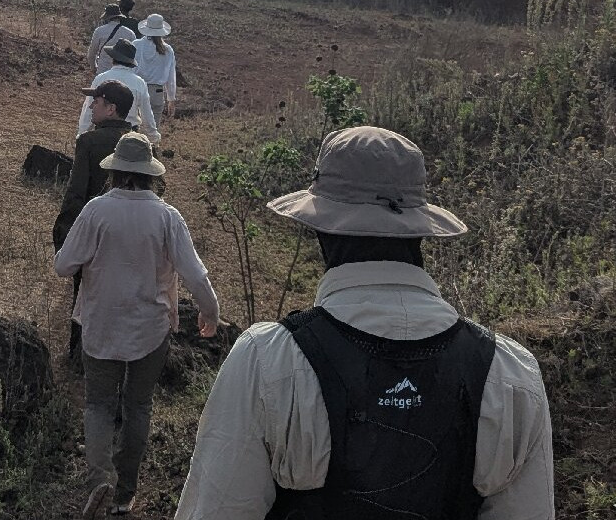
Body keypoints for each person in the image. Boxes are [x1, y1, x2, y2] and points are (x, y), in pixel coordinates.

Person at [175, 126, 554, 520]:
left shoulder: (269, 363)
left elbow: (217, 509)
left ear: (321, 232)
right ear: (418, 232)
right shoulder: (509, 374)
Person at [56, 132, 220, 519]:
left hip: (99, 325)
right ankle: (124, 495)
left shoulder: (96, 210)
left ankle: (99, 480)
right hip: (151, 329)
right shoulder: (167, 216)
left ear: (114, 171)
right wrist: (210, 313)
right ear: (151, 174)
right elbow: (195, 276)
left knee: (98, 404)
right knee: (138, 405)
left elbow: (63, 266)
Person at [54, 80, 135, 360]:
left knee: (85, 291)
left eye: (96, 102)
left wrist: (64, 234)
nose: (91, 107)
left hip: (95, 229)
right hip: (132, 233)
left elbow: (76, 192)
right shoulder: (141, 144)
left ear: (111, 108)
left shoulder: (89, 141)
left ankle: (79, 353)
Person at [77, 39, 161, 145]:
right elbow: (147, 115)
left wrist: (81, 135)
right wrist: (153, 138)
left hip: (102, 135)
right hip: (130, 136)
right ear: (130, 62)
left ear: (113, 58)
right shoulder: (139, 83)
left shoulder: (101, 79)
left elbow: (89, 111)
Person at [132, 13, 176, 128]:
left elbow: (129, 69)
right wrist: (171, 99)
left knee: (135, 126)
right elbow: (171, 78)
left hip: (137, 89)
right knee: (153, 128)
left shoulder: (136, 45)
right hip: (157, 92)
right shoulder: (168, 50)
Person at [88, 4, 136, 74]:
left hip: (103, 71)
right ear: (119, 17)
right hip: (122, 73)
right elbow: (134, 56)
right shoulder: (130, 33)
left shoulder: (99, 31)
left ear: (107, 17)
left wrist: (93, 67)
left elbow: (92, 54)